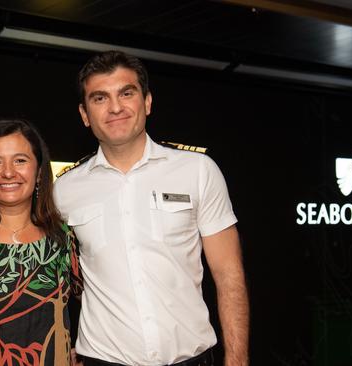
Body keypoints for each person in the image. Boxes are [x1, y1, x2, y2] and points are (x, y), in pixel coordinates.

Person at [53, 51, 249, 366]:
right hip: (102, 360)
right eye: (100, 98)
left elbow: (228, 274)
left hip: (192, 359)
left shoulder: (198, 170)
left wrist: (237, 360)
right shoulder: (63, 190)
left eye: (126, 93)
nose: (115, 107)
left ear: (147, 102)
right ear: (84, 114)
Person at [0, 119, 82, 366]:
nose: (8, 172)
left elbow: (93, 302)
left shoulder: (63, 238)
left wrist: (87, 350)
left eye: (20, 160)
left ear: (38, 173)